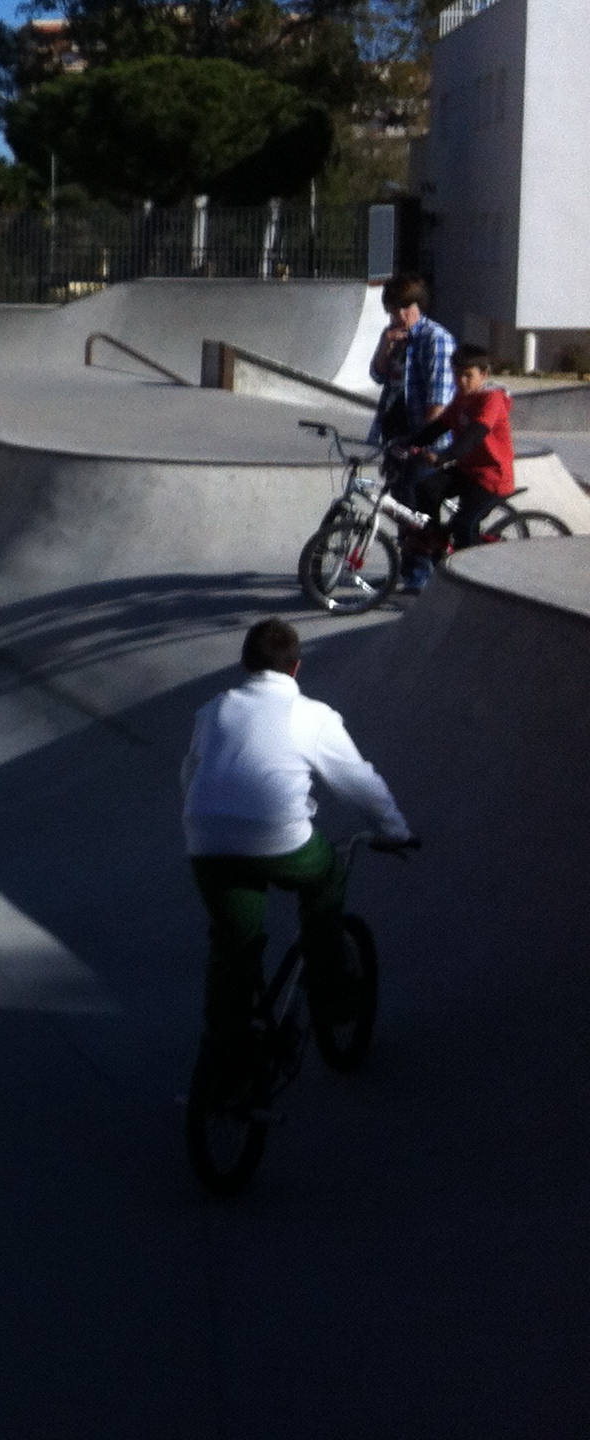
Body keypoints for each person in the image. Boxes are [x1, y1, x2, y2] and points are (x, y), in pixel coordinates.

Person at [183, 618, 416, 1087]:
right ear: (296, 668)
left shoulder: (213, 710)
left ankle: (224, 1059)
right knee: (326, 878)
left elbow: (191, 775)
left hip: (206, 840)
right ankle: (330, 993)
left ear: (245, 664)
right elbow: (357, 781)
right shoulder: (312, 716)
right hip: (278, 839)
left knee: (234, 946)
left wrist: (208, 830)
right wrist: (394, 829)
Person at [366, 276, 456, 590]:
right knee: (401, 507)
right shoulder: (394, 336)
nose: (399, 315)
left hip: (423, 438)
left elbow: (438, 399)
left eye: (405, 307)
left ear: (418, 306)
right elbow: (378, 375)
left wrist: (423, 442)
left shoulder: (435, 338)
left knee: (418, 508)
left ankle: (421, 574)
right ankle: (409, 568)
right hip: (394, 434)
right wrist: (385, 345)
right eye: (393, 309)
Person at [402, 344, 516, 557]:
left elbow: (473, 435)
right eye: (456, 375)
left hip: (492, 478)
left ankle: (474, 576)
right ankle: (435, 540)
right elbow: (438, 427)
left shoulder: (491, 399)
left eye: (467, 375)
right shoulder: (462, 398)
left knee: (464, 525)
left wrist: (444, 456)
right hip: (468, 471)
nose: (460, 381)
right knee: (426, 488)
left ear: (483, 374)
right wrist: (407, 443)